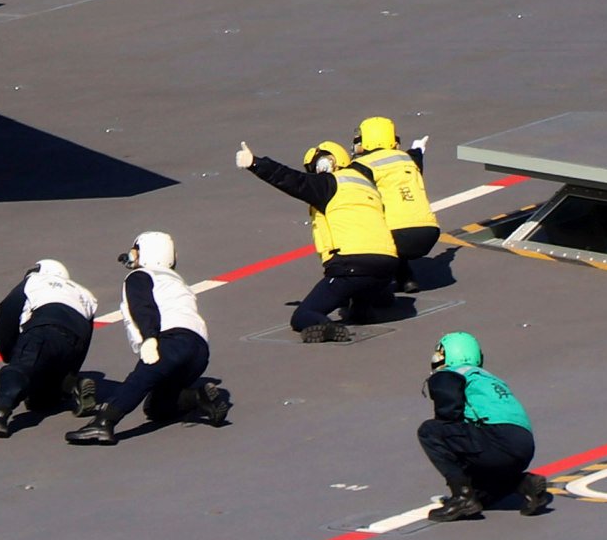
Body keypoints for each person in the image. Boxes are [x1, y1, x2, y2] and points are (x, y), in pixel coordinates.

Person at [67, 231, 231, 444]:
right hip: (199, 348)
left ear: (147, 253)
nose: (131, 256)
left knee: (139, 379)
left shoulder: (140, 276)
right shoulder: (177, 281)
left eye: (136, 251)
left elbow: (142, 308)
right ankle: (200, 397)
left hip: (170, 340)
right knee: (157, 406)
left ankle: (103, 423)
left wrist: (149, 338)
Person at [240, 137, 402, 339]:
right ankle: (364, 307)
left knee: (303, 316)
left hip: (350, 267)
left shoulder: (328, 185)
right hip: (387, 267)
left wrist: (255, 163)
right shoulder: (367, 186)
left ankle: (325, 326)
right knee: (359, 295)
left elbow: (291, 179)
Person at [419, 329, 554, 520]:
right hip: (523, 443)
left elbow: (448, 415)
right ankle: (524, 483)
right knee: (482, 496)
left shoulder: (450, 374)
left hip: (497, 439)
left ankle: (462, 497)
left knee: (430, 431)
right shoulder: (487, 378)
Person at [0, 257, 100, 436]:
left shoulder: (35, 281)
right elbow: (85, 341)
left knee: (17, 371)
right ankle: (72, 384)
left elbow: (7, 312)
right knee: (40, 401)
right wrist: (71, 371)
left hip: (43, 328)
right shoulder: (85, 294)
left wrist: (11, 356)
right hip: (74, 339)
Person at [355, 116, 444, 280]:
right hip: (429, 232)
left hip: (397, 235)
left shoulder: (361, 166)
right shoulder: (408, 160)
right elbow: (417, 153)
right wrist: (418, 147)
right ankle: (406, 278)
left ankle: (372, 284)